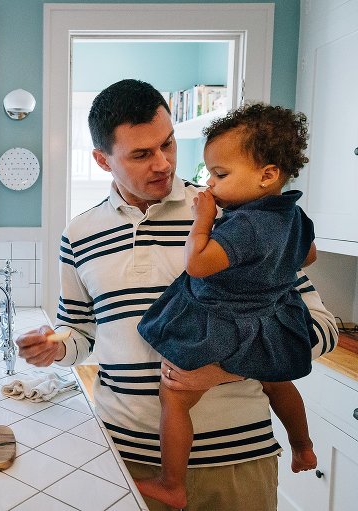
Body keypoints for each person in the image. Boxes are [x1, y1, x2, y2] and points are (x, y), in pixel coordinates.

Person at [15, 79, 338, 511]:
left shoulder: (238, 214)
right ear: (101, 160)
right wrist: (55, 348)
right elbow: (81, 335)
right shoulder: (80, 234)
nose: (164, 163)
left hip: (235, 464)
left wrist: (227, 367)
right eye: (141, 154)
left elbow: (321, 328)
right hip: (120, 458)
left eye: (168, 143)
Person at [135, 103, 319, 508]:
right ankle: (303, 446)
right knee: (277, 382)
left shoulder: (246, 224)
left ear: (266, 175)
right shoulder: (293, 215)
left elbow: (199, 265)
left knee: (175, 395)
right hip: (274, 319)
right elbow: (308, 257)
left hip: (225, 322)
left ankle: (171, 483)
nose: (211, 185)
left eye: (220, 174)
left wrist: (203, 219)